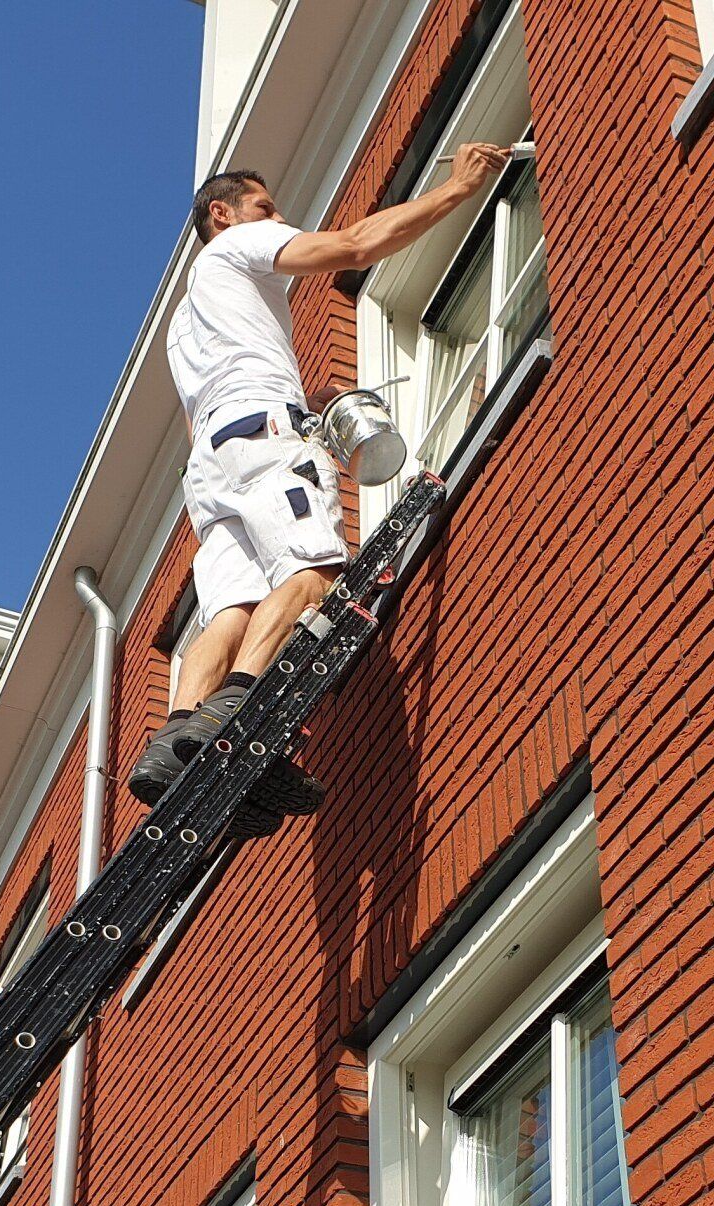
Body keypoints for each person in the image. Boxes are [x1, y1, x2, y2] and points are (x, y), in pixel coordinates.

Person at [130, 147, 510, 816]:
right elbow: (356, 246)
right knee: (316, 572)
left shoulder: (185, 320)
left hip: (212, 467)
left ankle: (173, 742)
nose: (280, 219)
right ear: (222, 215)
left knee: (233, 608)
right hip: (263, 436)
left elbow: (208, 408)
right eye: (266, 208)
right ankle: (235, 713)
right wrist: (460, 187)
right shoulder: (236, 246)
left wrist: (298, 402)